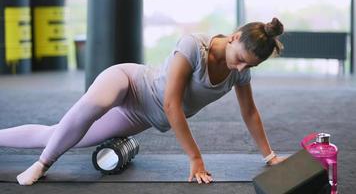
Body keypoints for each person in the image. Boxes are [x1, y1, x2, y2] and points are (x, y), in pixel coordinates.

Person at [0, 17, 287, 186]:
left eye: (249, 67)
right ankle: (43, 164)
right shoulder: (194, 46)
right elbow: (171, 104)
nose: (240, 70)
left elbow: (249, 112)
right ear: (235, 37)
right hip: (129, 82)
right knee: (89, 109)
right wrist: (195, 158)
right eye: (240, 60)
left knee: (59, 135)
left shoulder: (239, 74)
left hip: (138, 118)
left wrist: (269, 155)